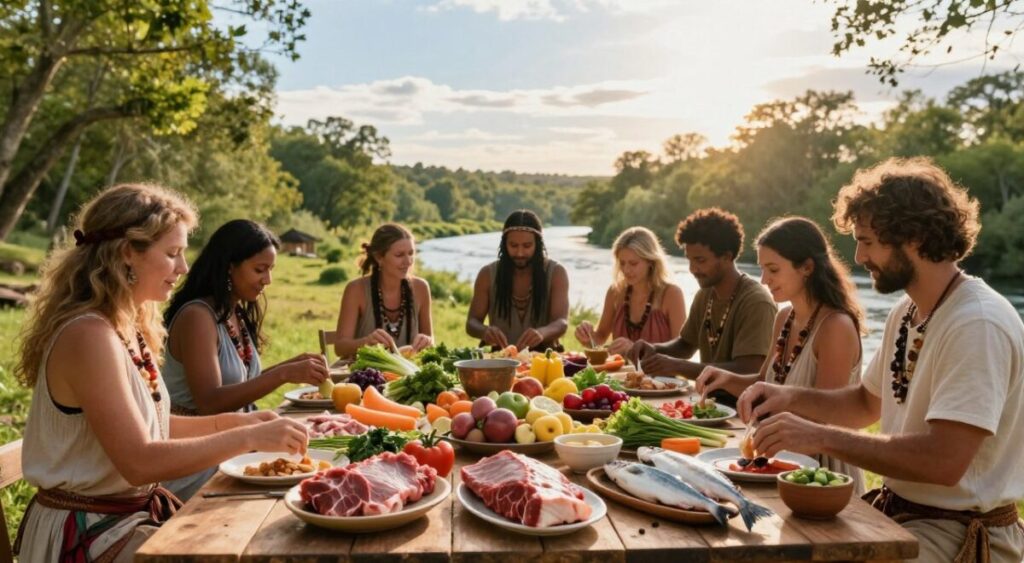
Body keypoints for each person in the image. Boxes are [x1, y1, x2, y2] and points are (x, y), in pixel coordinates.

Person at [738, 158, 1024, 562]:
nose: (857, 256)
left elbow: (944, 461)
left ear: (915, 236)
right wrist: (786, 398)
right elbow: (863, 404)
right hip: (905, 516)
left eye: (868, 241)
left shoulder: (977, 323)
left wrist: (819, 436)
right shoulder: (908, 311)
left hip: (959, 534)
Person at [14, 184, 308, 563]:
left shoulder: (127, 325)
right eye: (172, 254)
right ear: (127, 254)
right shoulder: (88, 335)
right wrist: (248, 435)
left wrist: (234, 424)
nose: (184, 268)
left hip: (118, 519)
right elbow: (139, 461)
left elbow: (152, 424)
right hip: (86, 531)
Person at [161, 219, 330, 499]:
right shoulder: (197, 317)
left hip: (231, 447)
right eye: (259, 270)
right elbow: (210, 402)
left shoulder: (234, 311)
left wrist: (289, 366)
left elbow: (242, 384)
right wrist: (282, 375)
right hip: (197, 460)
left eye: (270, 270)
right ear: (230, 265)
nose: (268, 280)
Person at [695, 216, 866, 493]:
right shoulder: (784, 317)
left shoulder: (835, 327)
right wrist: (725, 379)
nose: (764, 280)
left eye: (773, 269)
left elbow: (824, 416)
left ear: (807, 267)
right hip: (777, 457)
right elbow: (766, 384)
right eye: (762, 269)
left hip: (821, 475)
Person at [631, 208, 776, 404]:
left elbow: (750, 369)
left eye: (700, 260)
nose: (692, 269)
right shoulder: (706, 293)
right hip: (710, 404)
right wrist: (654, 349)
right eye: (689, 260)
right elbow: (686, 344)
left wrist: (679, 367)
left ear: (727, 257)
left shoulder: (756, 302)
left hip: (745, 412)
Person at [467, 210, 569, 351]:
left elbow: (561, 323)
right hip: (499, 360)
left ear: (537, 244)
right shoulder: (487, 274)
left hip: (544, 360)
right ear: (504, 244)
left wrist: (542, 333)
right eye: (513, 246)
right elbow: (472, 323)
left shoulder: (557, 273)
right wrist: (484, 331)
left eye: (527, 246)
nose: (520, 253)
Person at [575, 226, 686, 356]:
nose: (626, 270)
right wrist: (587, 337)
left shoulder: (672, 294)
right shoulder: (615, 292)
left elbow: (681, 353)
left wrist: (635, 350)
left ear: (650, 261)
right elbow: (599, 339)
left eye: (633, 263)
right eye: (622, 263)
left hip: (662, 376)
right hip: (620, 375)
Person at [334, 223, 433, 358]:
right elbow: (340, 348)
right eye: (399, 255)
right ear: (379, 257)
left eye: (411, 253)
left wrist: (427, 341)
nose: (408, 261)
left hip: (409, 375)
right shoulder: (356, 290)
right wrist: (366, 342)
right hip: (364, 375)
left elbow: (430, 341)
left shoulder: (421, 288)